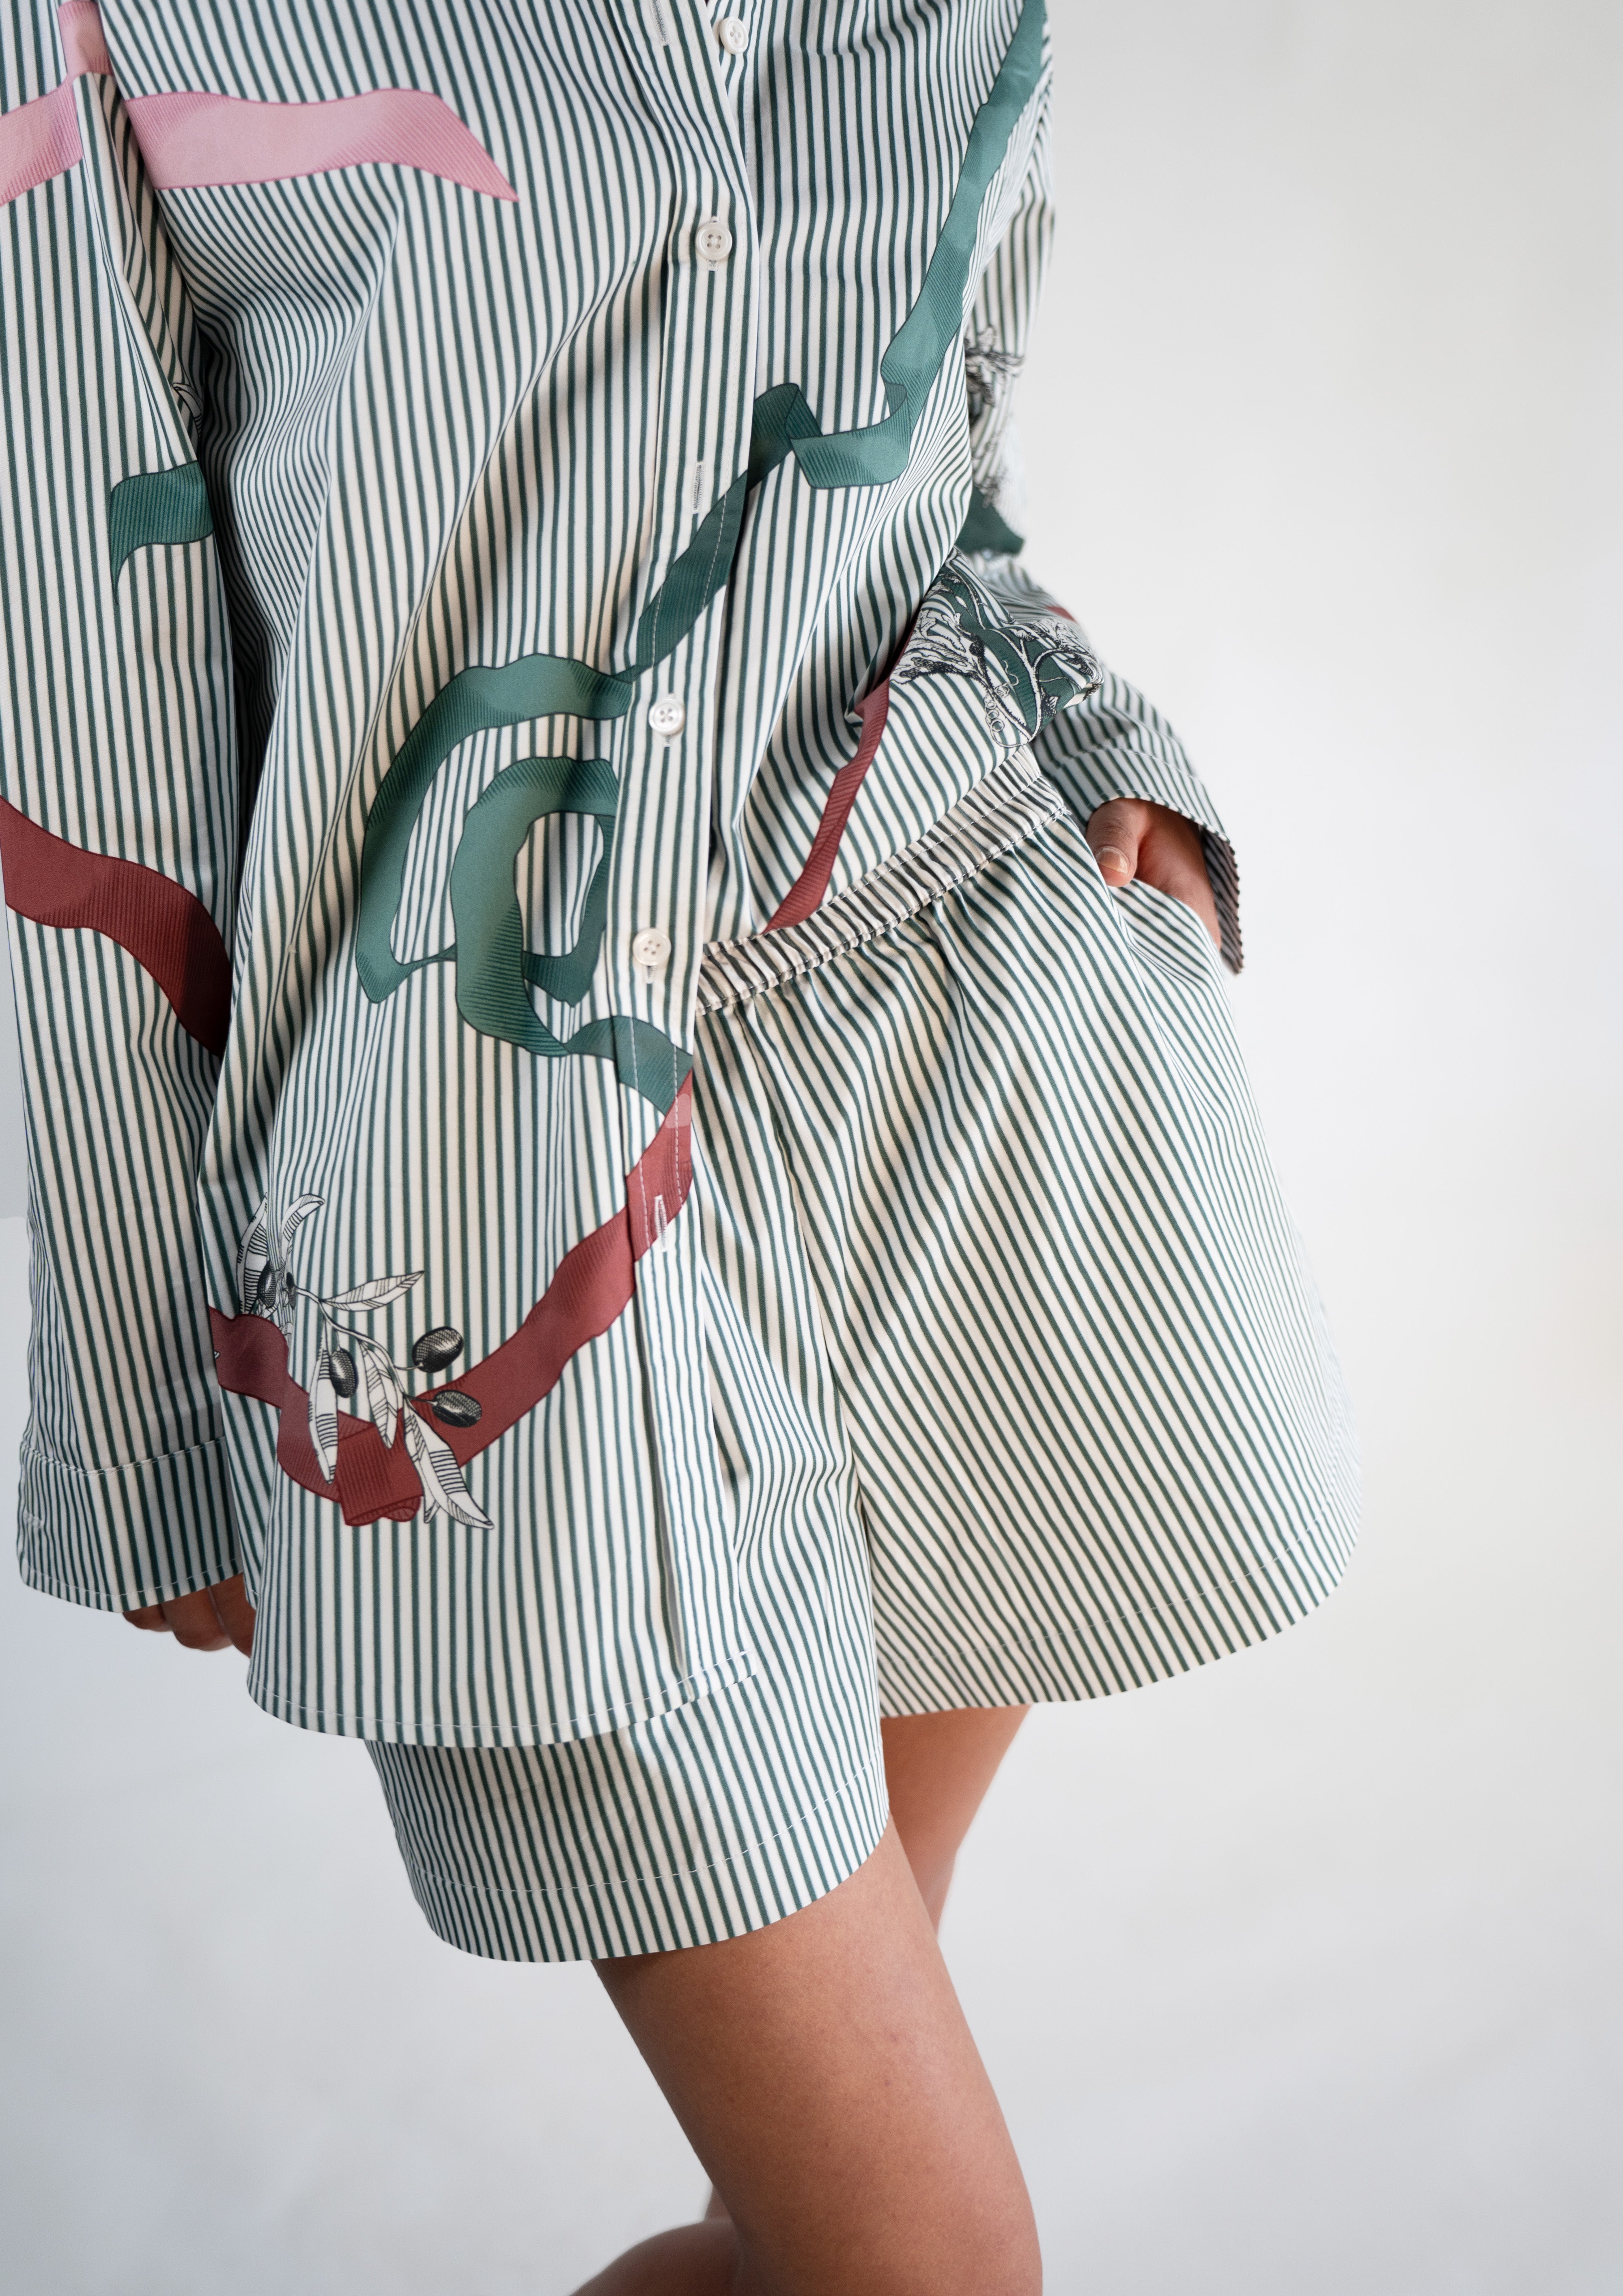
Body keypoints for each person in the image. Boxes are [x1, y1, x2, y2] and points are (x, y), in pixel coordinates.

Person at [0, 3, 1357, 2288]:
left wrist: (1111, 749)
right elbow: (85, 692)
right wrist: (146, 1393)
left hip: (954, 1038)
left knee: (789, 2238)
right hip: (493, 1232)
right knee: (924, 2264)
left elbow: (940, 444)